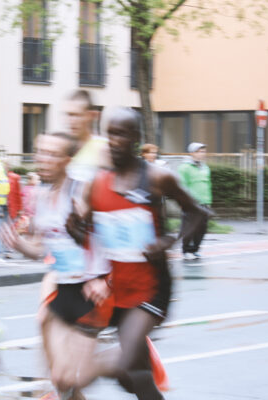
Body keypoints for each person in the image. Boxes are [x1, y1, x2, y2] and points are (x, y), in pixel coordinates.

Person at [66, 108, 209, 400]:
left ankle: (78, 377)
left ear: (135, 138)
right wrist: (73, 228)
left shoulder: (157, 177)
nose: (114, 140)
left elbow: (198, 214)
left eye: (121, 134)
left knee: (124, 361)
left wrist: (169, 241)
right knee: (136, 377)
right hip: (115, 290)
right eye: (110, 134)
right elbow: (90, 238)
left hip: (151, 289)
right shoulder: (98, 183)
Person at [0, 132, 112, 400]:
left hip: (91, 292)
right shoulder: (39, 196)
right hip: (64, 290)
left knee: (74, 377)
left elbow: (110, 235)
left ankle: (121, 361)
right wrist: (18, 244)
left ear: (67, 160)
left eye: (51, 154)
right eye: (40, 152)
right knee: (62, 382)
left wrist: (105, 280)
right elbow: (40, 250)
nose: (42, 159)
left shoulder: (82, 190)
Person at [64, 90, 111, 183]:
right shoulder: (63, 147)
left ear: (92, 115)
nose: (71, 120)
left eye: (77, 115)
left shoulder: (104, 148)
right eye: (69, 114)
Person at [178, 142, 212, 260]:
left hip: (204, 202)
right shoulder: (185, 167)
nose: (202, 154)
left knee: (202, 228)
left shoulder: (205, 167)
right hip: (191, 203)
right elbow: (181, 185)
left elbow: (208, 184)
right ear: (192, 153)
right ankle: (186, 249)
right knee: (189, 227)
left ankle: (195, 249)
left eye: (203, 151)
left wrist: (209, 201)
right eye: (199, 151)